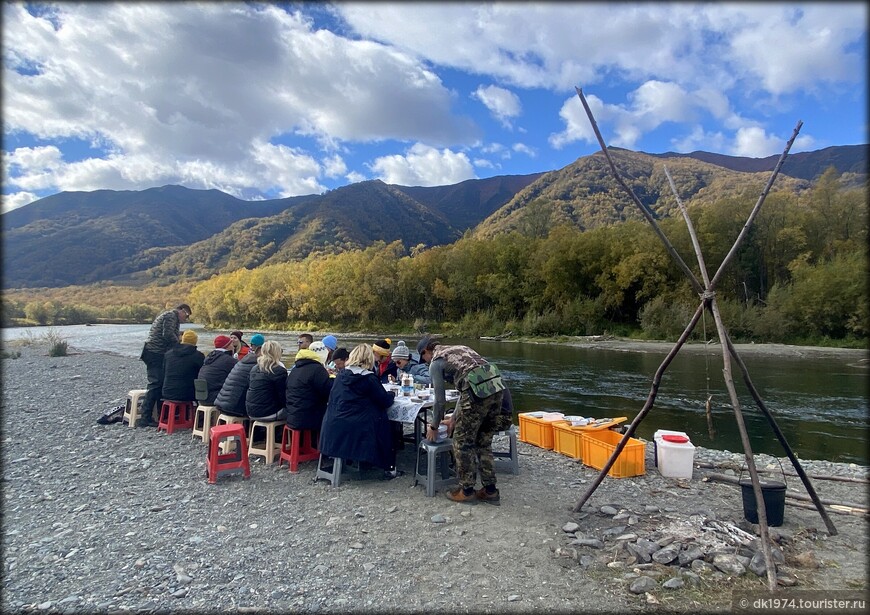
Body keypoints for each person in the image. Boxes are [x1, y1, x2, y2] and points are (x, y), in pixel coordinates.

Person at [417, 336, 505, 505]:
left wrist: (434, 426)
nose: (426, 363)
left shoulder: (436, 362)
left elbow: (440, 401)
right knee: (483, 441)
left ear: (425, 352)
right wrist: (453, 419)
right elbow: (465, 388)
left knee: (462, 442)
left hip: (476, 392)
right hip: (497, 386)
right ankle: (490, 490)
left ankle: (467, 491)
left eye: (424, 360)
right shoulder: (460, 348)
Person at [319, 344, 399, 479]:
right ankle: (388, 466)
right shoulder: (368, 378)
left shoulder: (341, 375)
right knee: (384, 421)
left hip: (332, 422)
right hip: (356, 425)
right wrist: (392, 394)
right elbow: (384, 401)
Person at [137, 303, 191, 427]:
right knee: (156, 384)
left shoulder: (170, 317)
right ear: (181, 310)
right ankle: (145, 417)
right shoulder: (171, 316)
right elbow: (167, 335)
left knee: (160, 383)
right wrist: (180, 346)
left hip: (154, 352)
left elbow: (169, 333)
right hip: (155, 353)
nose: (185, 319)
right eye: (186, 315)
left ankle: (160, 414)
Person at [285, 344, 334, 433]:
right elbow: (329, 391)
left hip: (292, 416)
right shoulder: (318, 369)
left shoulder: (296, 368)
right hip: (309, 419)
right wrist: (332, 377)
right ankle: (322, 445)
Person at [214, 333, 265, 417]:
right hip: (233, 406)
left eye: (235, 338)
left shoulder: (241, 360)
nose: (233, 341)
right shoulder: (255, 364)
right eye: (231, 339)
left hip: (219, 402)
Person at [245, 340, 288, 421]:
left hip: (250, 412)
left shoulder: (255, 368)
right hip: (268, 413)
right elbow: (283, 397)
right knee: (294, 413)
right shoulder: (279, 370)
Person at [162, 330, 205, 403]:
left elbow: (163, 372)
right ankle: (195, 413)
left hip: (167, 392)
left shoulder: (168, 354)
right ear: (195, 341)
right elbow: (202, 374)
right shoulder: (198, 356)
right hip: (187, 394)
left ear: (183, 339)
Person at [197, 335, 237, 405]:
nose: (233, 347)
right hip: (216, 397)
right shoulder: (228, 360)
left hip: (201, 397)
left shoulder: (209, 357)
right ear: (227, 346)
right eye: (231, 344)